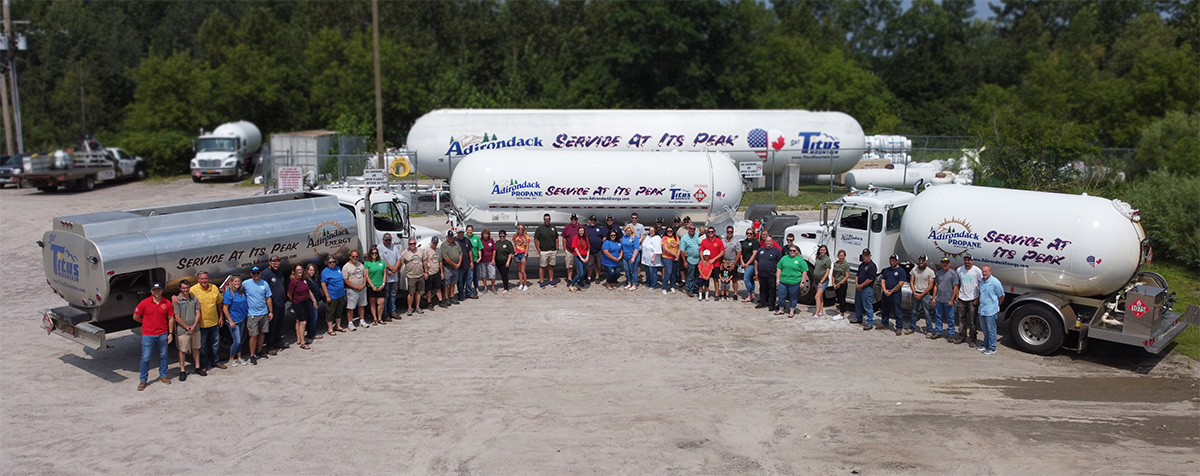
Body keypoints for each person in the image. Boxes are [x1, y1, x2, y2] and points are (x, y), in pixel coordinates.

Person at [134, 282, 174, 390]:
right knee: (146, 358)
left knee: (164, 355)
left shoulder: (167, 303)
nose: (157, 292)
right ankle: (143, 380)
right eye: (154, 290)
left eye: (159, 290)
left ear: (162, 290)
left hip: (162, 334)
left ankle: (163, 375)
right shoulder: (144, 303)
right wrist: (145, 323)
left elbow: (171, 318)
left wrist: (170, 333)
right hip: (148, 335)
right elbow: (136, 316)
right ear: (151, 291)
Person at [192, 271, 225, 371]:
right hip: (201, 324)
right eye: (202, 279)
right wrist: (173, 297)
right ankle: (204, 365)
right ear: (198, 280)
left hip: (214, 321)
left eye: (206, 278)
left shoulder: (214, 288)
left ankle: (216, 361)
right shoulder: (193, 290)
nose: (204, 280)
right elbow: (183, 297)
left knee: (215, 344)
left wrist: (221, 317)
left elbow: (219, 303)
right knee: (203, 346)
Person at [241, 266, 274, 365]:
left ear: (260, 273)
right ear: (251, 274)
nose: (256, 275)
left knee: (262, 333)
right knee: (253, 335)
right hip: (252, 314)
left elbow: (268, 298)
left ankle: (259, 351)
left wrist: (270, 311)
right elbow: (239, 293)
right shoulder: (245, 283)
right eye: (254, 273)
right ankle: (252, 355)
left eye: (258, 273)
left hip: (263, 312)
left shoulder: (264, 283)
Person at [171, 279, 202, 380]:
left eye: (187, 287)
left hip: (195, 328)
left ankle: (197, 367)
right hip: (183, 330)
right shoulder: (177, 300)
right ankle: (182, 370)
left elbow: (198, 312)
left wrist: (193, 326)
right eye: (183, 288)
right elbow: (177, 317)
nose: (186, 290)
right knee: (182, 351)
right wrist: (187, 327)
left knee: (196, 348)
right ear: (180, 288)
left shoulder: (194, 299)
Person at [258, 256, 288, 355]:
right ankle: (270, 346)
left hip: (281, 303)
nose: (276, 265)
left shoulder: (280, 272)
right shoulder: (266, 274)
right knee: (272, 326)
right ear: (270, 263)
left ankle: (278, 342)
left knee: (279, 324)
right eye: (274, 263)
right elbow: (263, 291)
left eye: (278, 263)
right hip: (273, 304)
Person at [955, 254, 984, 346]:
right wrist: (956, 295)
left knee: (972, 320)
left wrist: (978, 297)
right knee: (961, 319)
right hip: (962, 298)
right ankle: (962, 336)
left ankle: (972, 338)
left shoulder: (977, 270)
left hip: (972, 298)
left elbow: (981, 285)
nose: (967, 262)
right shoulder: (959, 270)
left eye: (969, 260)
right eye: (965, 260)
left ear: (972, 261)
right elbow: (957, 283)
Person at [287, 265, 318, 350]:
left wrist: (314, 300)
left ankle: (299, 339)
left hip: (305, 302)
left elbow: (308, 290)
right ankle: (303, 342)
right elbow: (289, 293)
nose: (299, 271)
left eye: (301, 269)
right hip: (298, 303)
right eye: (298, 270)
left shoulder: (304, 280)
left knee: (298, 320)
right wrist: (293, 301)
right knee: (303, 322)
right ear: (295, 271)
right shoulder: (293, 281)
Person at [930, 257, 961, 341]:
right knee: (938, 316)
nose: (945, 264)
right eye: (943, 263)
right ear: (941, 264)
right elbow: (936, 286)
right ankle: (938, 332)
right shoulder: (939, 273)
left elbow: (955, 288)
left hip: (948, 300)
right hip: (939, 299)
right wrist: (934, 298)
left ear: (949, 264)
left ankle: (951, 334)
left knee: (950, 318)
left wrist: (952, 299)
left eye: (946, 263)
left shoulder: (953, 274)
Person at [976, 265, 1005, 355]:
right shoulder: (981, 281)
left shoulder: (995, 282)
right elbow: (980, 293)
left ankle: (992, 348)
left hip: (991, 310)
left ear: (990, 272)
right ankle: (985, 344)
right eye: (983, 271)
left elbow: (1001, 296)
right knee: (984, 329)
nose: (984, 273)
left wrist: (996, 305)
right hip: (982, 309)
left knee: (991, 329)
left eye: (986, 271)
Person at [775, 246, 810, 317]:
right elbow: (779, 268)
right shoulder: (784, 258)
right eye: (790, 250)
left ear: (796, 251)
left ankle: (792, 310)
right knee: (781, 296)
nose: (792, 252)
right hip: (783, 281)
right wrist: (778, 278)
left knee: (793, 297)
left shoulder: (800, 260)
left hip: (795, 282)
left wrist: (802, 282)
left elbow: (805, 271)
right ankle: (781, 309)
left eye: (794, 251)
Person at [222, 276, 249, 366]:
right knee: (237, 340)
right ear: (231, 282)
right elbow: (225, 308)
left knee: (240, 339)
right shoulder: (228, 293)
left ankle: (239, 357)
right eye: (235, 281)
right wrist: (230, 321)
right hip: (234, 320)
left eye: (239, 281)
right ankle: (231, 358)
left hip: (242, 318)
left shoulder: (241, 292)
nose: (237, 283)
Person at [908, 254, 936, 335]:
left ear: (926, 261)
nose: (921, 262)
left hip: (925, 294)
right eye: (919, 260)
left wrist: (922, 294)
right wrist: (914, 292)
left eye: (922, 261)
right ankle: (911, 327)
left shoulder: (930, 272)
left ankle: (929, 330)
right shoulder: (914, 270)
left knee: (927, 313)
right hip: (916, 293)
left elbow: (931, 285)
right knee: (914, 311)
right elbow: (911, 281)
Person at [879, 254, 908, 334]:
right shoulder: (887, 270)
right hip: (886, 292)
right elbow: (883, 280)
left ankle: (899, 327)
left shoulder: (901, 271)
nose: (892, 262)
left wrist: (891, 291)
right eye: (891, 260)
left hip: (895, 293)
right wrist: (884, 290)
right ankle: (884, 323)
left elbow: (900, 284)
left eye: (894, 260)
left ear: (897, 261)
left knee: (897, 310)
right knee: (885, 309)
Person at [321, 255, 349, 335]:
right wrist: (327, 296)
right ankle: (330, 328)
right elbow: (323, 284)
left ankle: (338, 325)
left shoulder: (338, 268)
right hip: (332, 295)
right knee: (330, 311)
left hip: (341, 294)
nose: (332, 263)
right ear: (327, 263)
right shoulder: (325, 272)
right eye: (330, 262)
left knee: (339, 310)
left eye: (333, 262)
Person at [342, 249, 369, 330]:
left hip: (362, 289)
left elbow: (364, 275)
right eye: (353, 256)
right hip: (352, 290)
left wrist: (364, 284)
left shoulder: (360, 264)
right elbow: (345, 280)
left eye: (356, 256)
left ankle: (362, 320)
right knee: (351, 307)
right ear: (350, 257)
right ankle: (350, 323)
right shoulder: (346, 267)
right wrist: (354, 287)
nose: (355, 258)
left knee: (362, 305)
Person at [755, 236, 782, 312]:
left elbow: (780, 263)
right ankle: (762, 302)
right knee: (762, 289)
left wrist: (777, 273)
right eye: (767, 241)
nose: (768, 242)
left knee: (772, 290)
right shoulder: (760, 250)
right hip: (762, 274)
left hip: (771, 274)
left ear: (772, 242)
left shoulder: (776, 251)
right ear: (765, 242)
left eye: (769, 241)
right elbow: (756, 261)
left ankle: (771, 304)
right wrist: (756, 270)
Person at [400, 237, 427, 316]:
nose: (412, 245)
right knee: (411, 293)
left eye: (414, 243)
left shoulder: (421, 251)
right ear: (408, 245)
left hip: (420, 274)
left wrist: (426, 271)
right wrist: (398, 273)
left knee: (418, 292)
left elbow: (424, 261)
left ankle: (417, 307)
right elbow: (401, 263)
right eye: (411, 244)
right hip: (411, 276)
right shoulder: (405, 253)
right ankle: (409, 308)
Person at [379, 233, 402, 321]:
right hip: (386, 275)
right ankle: (385, 314)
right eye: (386, 240)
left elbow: (399, 259)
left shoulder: (394, 247)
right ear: (383, 240)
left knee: (393, 295)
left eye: (389, 240)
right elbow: (382, 260)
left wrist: (395, 268)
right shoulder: (380, 247)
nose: (388, 242)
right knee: (385, 295)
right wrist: (391, 269)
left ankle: (393, 312)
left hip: (394, 276)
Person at [363, 245, 388, 326]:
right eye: (373, 253)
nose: (374, 254)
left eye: (376, 253)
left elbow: (384, 274)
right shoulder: (367, 263)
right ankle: (375, 318)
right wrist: (372, 286)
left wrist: (383, 284)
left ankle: (380, 318)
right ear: (370, 254)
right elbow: (366, 276)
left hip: (380, 285)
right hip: (371, 286)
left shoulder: (382, 262)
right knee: (372, 303)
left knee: (381, 303)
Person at [699, 226, 725, 300]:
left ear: (714, 232)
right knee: (704, 278)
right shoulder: (704, 241)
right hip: (706, 264)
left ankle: (716, 293)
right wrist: (702, 260)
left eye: (712, 232)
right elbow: (701, 251)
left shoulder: (719, 241)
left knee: (715, 279)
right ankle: (705, 292)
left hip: (715, 263)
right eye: (709, 232)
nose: (710, 233)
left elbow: (722, 252)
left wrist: (714, 259)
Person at [533, 214, 559, 288]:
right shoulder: (540, 228)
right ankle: (541, 281)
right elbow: (535, 239)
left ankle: (551, 280)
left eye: (548, 219)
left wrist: (557, 247)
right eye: (545, 219)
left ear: (550, 219)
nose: (547, 221)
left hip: (552, 250)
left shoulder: (553, 227)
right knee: (542, 266)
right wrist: (539, 250)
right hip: (544, 251)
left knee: (551, 266)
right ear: (543, 220)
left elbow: (556, 237)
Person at [855, 249, 878, 331]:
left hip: (867, 288)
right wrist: (857, 284)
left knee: (867, 306)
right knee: (858, 303)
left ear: (870, 256)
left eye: (867, 255)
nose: (865, 257)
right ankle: (858, 318)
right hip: (859, 288)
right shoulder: (861, 265)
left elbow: (870, 279)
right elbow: (857, 275)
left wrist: (861, 285)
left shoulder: (872, 266)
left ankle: (870, 322)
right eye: (864, 255)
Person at [679, 223, 701, 296]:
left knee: (697, 275)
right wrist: (684, 261)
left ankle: (696, 289)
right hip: (690, 259)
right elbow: (682, 251)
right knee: (690, 276)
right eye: (690, 228)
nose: (692, 230)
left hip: (699, 259)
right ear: (688, 229)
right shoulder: (684, 238)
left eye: (693, 229)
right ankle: (690, 290)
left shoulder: (697, 235)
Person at [440, 230, 463, 304]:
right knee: (446, 284)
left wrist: (459, 263)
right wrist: (453, 264)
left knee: (453, 283)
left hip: (455, 267)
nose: (451, 238)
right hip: (448, 267)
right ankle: (446, 298)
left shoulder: (456, 244)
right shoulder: (444, 245)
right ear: (446, 237)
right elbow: (445, 257)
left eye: (452, 237)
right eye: (449, 237)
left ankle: (452, 297)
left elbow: (460, 254)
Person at [424, 236, 446, 307]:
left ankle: (440, 301)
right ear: (431, 242)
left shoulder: (438, 250)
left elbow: (440, 261)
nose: (435, 244)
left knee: (438, 288)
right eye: (434, 243)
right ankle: (429, 303)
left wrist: (442, 272)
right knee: (429, 289)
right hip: (430, 272)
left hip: (437, 271)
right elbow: (424, 262)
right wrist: (426, 272)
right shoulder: (427, 251)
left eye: (436, 243)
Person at [303, 263, 323, 343]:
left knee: (313, 317)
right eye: (310, 270)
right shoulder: (306, 280)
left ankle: (311, 332)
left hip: (316, 299)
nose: (312, 272)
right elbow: (308, 291)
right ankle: (311, 334)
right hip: (311, 301)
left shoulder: (313, 279)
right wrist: (314, 301)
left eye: (313, 270)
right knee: (313, 317)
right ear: (307, 271)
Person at [811, 245, 833, 318]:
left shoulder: (827, 260)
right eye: (821, 250)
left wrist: (821, 281)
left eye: (824, 250)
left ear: (826, 251)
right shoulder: (818, 258)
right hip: (816, 280)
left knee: (817, 297)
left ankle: (816, 314)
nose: (822, 251)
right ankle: (821, 311)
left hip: (823, 281)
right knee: (820, 297)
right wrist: (814, 281)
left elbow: (827, 272)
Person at [739, 229, 760, 303]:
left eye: (751, 233)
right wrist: (742, 262)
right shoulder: (744, 242)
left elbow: (755, 254)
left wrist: (747, 263)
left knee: (746, 278)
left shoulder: (755, 242)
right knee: (751, 279)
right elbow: (740, 253)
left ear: (753, 234)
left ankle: (749, 294)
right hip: (744, 263)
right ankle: (752, 293)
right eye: (747, 233)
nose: (749, 234)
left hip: (752, 264)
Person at [585, 216, 607, 284]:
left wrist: (601, 243)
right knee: (590, 265)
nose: (593, 222)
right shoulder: (586, 229)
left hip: (598, 250)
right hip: (590, 250)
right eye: (592, 220)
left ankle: (597, 277)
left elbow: (604, 237)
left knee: (599, 264)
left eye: (594, 220)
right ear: (589, 221)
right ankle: (589, 277)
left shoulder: (599, 228)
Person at [720, 226, 739, 301]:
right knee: (724, 278)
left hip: (732, 262)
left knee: (734, 279)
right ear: (726, 232)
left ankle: (735, 293)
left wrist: (734, 264)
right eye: (728, 232)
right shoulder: (722, 241)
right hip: (724, 263)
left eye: (731, 232)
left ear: (733, 232)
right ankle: (724, 293)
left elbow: (738, 253)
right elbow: (720, 252)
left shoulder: (736, 242)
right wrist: (721, 262)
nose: (729, 233)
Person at [568, 226, 590, 292]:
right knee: (580, 272)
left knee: (584, 273)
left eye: (582, 231)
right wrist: (581, 258)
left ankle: (580, 285)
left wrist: (587, 257)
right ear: (578, 231)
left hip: (585, 256)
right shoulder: (575, 238)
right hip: (578, 257)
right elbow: (575, 248)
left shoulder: (586, 238)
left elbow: (588, 248)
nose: (581, 232)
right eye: (580, 231)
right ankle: (572, 285)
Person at [640, 226, 662, 292]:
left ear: (655, 231)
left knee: (653, 272)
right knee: (647, 272)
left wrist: (654, 257)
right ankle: (648, 282)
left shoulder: (657, 238)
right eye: (650, 230)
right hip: (646, 258)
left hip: (653, 258)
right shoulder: (648, 237)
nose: (651, 232)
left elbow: (657, 248)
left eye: (652, 230)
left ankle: (653, 285)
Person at [562, 214, 582, 283]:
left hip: (579, 250)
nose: (573, 220)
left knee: (578, 265)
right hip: (569, 249)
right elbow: (564, 238)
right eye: (572, 219)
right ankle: (569, 278)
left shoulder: (581, 227)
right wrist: (565, 248)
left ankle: (578, 278)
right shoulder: (567, 227)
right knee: (569, 265)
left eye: (575, 219)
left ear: (577, 220)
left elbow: (585, 238)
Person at [831, 250, 851, 320]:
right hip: (836, 283)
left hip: (842, 284)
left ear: (844, 256)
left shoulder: (846, 265)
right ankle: (840, 311)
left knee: (842, 299)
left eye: (842, 255)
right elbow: (833, 274)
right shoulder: (836, 263)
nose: (841, 257)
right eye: (840, 255)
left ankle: (842, 313)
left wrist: (840, 283)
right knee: (838, 298)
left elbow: (847, 276)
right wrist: (833, 283)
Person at [458, 229, 477, 299]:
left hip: (467, 263)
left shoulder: (467, 240)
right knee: (460, 280)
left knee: (469, 279)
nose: (460, 234)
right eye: (459, 233)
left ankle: (469, 293)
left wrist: (471, 262)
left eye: (462, 232)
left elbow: (470, 251)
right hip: (460, 264)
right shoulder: (455, 240)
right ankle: (461, 294)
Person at [660, 227, 679, 294]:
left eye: (671, 231)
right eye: (668, 231)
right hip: (667, 257)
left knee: (674, 273)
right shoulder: (664, 238)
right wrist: (675, 254)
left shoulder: (676, 237)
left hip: (675, 258)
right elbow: (665, 249)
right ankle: (664, 287)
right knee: (668, 272)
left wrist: (678, 255)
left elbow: (679, 247)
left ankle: (672, 286)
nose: (669, 232)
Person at [620, 225, 640, 290]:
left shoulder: (635, 238)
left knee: (633, 270)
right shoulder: (624, 237)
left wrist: (633, 257)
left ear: (632, 231)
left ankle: (634, 284)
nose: (628, 232)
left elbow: (636, 249)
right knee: (627, 270)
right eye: (626, 231)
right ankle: (629, 283)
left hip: (633, 256)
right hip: (625, 257)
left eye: (629, 231)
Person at [465, 225, 483, 296]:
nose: (469, 231)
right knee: (468, 276)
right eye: (468, 230)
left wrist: (480, 257)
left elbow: (479, 248)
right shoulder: (464, 237)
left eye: (470, 230)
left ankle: (476, 289)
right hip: (466, 261)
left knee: (475, 276)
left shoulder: (476, 238)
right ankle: (467, 290)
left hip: (475, 260)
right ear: (466, 230)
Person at [478, 229, 497, 294]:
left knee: (492, 274)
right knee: (483, 275)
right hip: (483, 260)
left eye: (486, 234)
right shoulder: (480, 241)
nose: (485, 235)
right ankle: (485, 287)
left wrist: (493, 259)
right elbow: (479, 249)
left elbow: (494, 250)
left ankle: (493, 287)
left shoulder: (491, 240)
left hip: (490, 260)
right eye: (484, 234)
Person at [513, 224, 531, 290]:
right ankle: (521, 283)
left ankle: (525, 284)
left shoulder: (526, 236)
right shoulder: (515, 236)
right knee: (519, 270)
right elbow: (514, 245)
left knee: (523, 271)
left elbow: (527, 247)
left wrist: (525, 255)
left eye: (521, 228)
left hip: (523, 254)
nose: (520, 230)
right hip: (517, 254)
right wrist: (514, 253)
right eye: (519, 228)